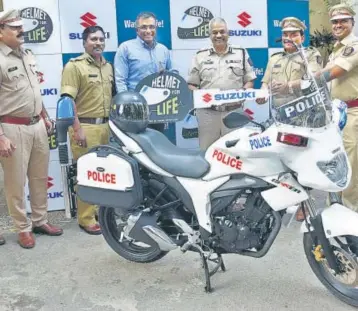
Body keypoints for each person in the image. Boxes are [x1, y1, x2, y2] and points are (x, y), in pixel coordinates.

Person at [0, 9, 63, 248]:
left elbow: (34, 91)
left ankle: (40, 220)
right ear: (1, 31)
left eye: (20, 26)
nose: (20, 30)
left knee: (38, 178)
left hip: (37, 125)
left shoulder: (26, 54)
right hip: (12, 129)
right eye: (14, 27)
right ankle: (22, 228)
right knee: (16, 183)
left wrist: (45, 116)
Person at [60, 25, 114, 235]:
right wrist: (77, 128)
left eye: (101, 39)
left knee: (105, 174)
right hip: (85, 126)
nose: (98, 43)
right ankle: (86, 218)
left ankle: (101, 212)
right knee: (87, 174)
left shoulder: (108, 66)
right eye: (93, 39)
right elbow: (67, 100)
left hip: (106, 126)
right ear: (84, 42)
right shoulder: (75, 66)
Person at [187, 17, 256, 150]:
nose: (218, 35)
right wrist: (201, 96)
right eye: (214, 32)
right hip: (208, 113)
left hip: (234, 112)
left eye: (222, 32)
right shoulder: (200, 56)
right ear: (209, 35)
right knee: (207, 152)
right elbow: (191, 84)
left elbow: (250, 80)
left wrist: (243, 91)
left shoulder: (240, 53)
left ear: (228, 33)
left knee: (236, 153)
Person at [318, 3, 358, 213]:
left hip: (352, 113)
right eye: (335, 21)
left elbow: (332, 73)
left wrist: (306, 82)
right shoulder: (336, 49)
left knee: (351, 163)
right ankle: (335, 206)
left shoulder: (354, 47)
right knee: (335, 160)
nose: (338, 24)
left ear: (352, 22)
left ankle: (351, 211)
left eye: (343, 20)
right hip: (336, 113)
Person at [114, 11, 173, 132]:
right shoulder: (125, 48)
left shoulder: (163, 50)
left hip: (158, 110)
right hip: (135, 111)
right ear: (137, 30)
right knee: (135, 149)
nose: (148, 31)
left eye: (151, 27)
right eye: (144, 27)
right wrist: (128, 107)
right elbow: (120, 81)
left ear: (156, 28)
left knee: (157, 147)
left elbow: (172, 75)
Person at [256, 17, 323, 106]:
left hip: (305, 111)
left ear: (302, 38)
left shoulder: (310, 55)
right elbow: (265, 84)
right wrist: (263, 94)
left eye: (293, 35)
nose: (288, 38)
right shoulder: (275, 59)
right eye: (285, 35)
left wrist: (288, 86)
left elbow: (314, 79)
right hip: (279, 114)